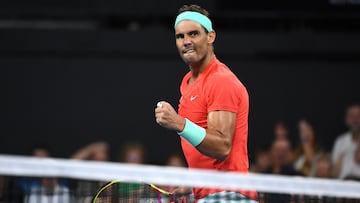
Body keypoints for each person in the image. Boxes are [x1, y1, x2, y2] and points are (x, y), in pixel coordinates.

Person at [154, 4, 258, 203]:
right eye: (180, 36)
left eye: (193, 34)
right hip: (210, 195)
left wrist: (179, 124)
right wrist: (193, 187)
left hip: (229, 195)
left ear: (210, 36)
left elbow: (222, 147)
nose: (186, 42)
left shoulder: (220, 80)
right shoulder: (187, 83)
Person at [331, 103, 360, 178]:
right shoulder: (340, 141)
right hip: (343, 185)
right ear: (346, 119)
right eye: (351, 115)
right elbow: (334, 172)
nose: (355, 119)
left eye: (358, 115)